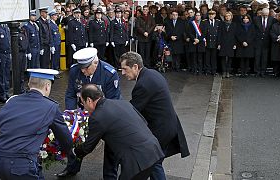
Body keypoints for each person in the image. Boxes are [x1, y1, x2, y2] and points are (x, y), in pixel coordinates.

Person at [120, 51, 190, 180]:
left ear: (135, 67)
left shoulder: (143, 84)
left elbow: (133, 111)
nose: (123, 73)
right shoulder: (152, 73)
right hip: (168, 126)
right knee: (154, 162)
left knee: (152, 162)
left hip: (161, 130)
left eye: (125, 69)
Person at [71, 84, 164, 180]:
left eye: (83, 103)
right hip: (154, 149)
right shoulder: (123, 103)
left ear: (89, 100)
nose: (84, 108)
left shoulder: (97, 117)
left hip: (137, 160)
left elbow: (88, 147)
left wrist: (74, 151)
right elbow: (143, 122)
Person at [0, 69, 73, 180]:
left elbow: (3, 121)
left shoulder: (12, 101)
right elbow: (65, 138)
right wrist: (68, 151)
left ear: (30, 84)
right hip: (22, 167)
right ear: (47, 86)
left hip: (0, 162)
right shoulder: (50, 107)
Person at [59, 47, 121, 178]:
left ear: (95, 62)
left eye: (86, 68)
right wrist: (73, 114)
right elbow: (70, 94)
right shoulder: (75, 70)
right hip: (83, 110)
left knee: (111, 143)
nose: (83, 71)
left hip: (106, 114)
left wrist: (95, 117)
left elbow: (112, 101)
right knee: (75, 137)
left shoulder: (109, 73)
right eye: (81, 67)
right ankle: (72, 168)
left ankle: (110, 176)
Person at [253, 8, 275, 77]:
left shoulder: (272, 19)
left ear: (268, 14)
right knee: (257, 57)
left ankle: (263, 72)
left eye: (266, 15)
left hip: (266, 41)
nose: (265, 16)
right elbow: (253, 30)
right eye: (264, 15)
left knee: (264, 58)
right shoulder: (256, 19)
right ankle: (257, 71)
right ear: (261, 13)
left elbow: (272, 29)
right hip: (257, 41)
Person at [0, 23, 11, 103]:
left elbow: (8, 40)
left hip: (7, 53)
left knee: (7, 73)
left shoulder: (6, 26)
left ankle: (6, 91)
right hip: (1, 53)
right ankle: (2, 94)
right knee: (1, 74)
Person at [217, 11, 237, 78]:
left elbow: (235, 35)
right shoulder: (221, 24)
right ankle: (224, 71)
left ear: (231, 16)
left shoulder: (234, 24)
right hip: (223, 43)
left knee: (230, 58)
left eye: (229, 15)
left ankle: (228, 71)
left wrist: (235, 44)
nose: (227, 17)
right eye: (226, 16)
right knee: (223, 57)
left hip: (231, 43)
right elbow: (219, 34)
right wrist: (219, 43)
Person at [201, 10, 220, 75]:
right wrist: (204, 40)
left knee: (214, 57)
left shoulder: (218, 22)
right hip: (207, 42)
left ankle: (213, 70)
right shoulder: (204, 22)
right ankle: (207, 70)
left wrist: (219, 43)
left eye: (212, 14)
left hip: (215, 42)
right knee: (207, 57)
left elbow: (219, 33)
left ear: (215, 15)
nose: (211, 15)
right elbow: (202, 33)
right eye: (210, 14)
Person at [48, 9, 61, 77]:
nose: (56, 16)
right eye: (55, 15)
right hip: (55, 44)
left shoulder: (54, 24)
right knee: (54, 59)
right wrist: (52, 45)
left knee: (57, 58)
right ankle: (54, 72)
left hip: (58, 43)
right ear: (51, 16)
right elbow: (51, 36)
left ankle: (56, 70)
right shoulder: (50, 24)